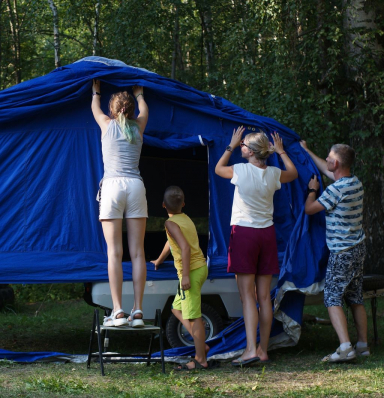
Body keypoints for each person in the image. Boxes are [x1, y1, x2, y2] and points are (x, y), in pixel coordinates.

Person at [215, 126, 298, 366]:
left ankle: (250, 349)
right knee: (263, 297)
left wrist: (229, 145)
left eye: (243, 145)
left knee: (247, 297)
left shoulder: (240, 170)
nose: (240, 147)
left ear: (250, 151)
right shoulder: (273, 173)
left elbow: (218, 168)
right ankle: (263, 350)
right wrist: (281, 152)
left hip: (244, 234)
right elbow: (292, 173)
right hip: (267, 236)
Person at [302, 141, 369, 362]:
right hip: (358, 248)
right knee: (355, 296)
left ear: (336, 163)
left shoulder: (335, 190)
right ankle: (362, 345)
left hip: (342, 252)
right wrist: (307, 151)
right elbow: (326, 168)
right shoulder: (353, 183)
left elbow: (310, 210)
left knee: (332, 297)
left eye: (329, 157)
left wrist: (312, 191)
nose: (327, 160)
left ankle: (344, 347)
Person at [91, 79, 149, 328]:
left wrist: (96, 90)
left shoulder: (106, 124)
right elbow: (145, 110)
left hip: (113, 186)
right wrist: (140, 94)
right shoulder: (139, 126)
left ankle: (118, 311)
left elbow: (95, 107)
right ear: (132, 111)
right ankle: (138, 311)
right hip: (135, 186)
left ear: (112, 111)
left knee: (114, 252)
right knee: (138, 253)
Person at [151, 186, 215, 370]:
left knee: (194, 317)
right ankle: (200, 342)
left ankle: (200, 359)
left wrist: (185, 275)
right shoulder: (184, 219)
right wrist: (159, 259)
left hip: (191, 272)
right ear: (184, 204)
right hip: (199, 268)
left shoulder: (170, 223)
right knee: (176, 309)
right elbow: (171, 242)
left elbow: (185, 248)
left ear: (163, 205)